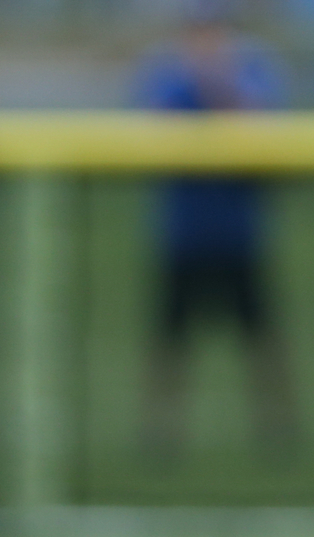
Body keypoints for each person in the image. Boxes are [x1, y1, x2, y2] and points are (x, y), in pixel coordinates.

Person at [137, 0, 299, 459]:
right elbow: (152, 129)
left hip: (240, 233)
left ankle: (278, 428)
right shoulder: (167, 74)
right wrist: (200, 82)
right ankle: (161, 433)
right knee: (171, 338)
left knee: (261, 335)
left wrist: (220, 83)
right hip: (182, 234)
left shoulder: (254, 70)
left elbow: (263, 129)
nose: (205, 40)